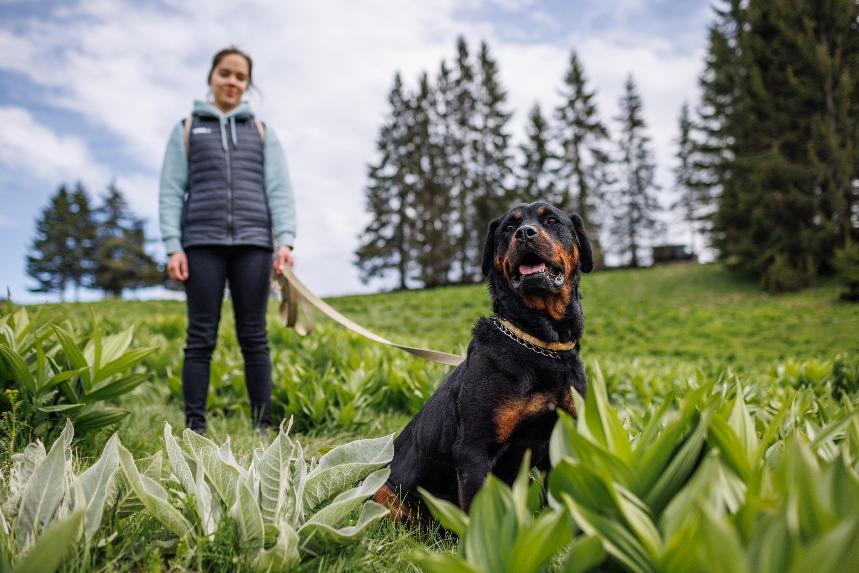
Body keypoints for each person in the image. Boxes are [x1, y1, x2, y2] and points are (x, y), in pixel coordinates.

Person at [158, 46, 296, 435]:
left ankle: (262, 427)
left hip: (254, 244)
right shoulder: (187, 128)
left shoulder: (261, 132)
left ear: (247, 84)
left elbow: (279, 189)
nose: (232, 82)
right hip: (200, 243)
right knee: (199, 337)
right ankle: (195, 428)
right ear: (211, 77)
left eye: (240, 76)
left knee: (254, 337)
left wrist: (284, 240)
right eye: (225, 73)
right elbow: (171, 190)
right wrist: (173, 245)